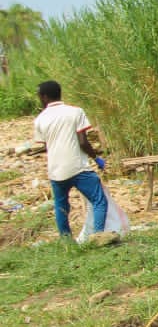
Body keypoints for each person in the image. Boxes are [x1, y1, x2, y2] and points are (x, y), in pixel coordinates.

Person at [32, 80, 108, 238]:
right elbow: (83, 142)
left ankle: (66, 242)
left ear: (45, 97)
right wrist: (96, 158)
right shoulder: (75, 112)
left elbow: (47, 145)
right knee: (99, 200)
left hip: (56, 171)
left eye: (39, 95)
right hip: (78, 167)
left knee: (61, 206)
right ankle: (98, 236)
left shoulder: (40, 120)